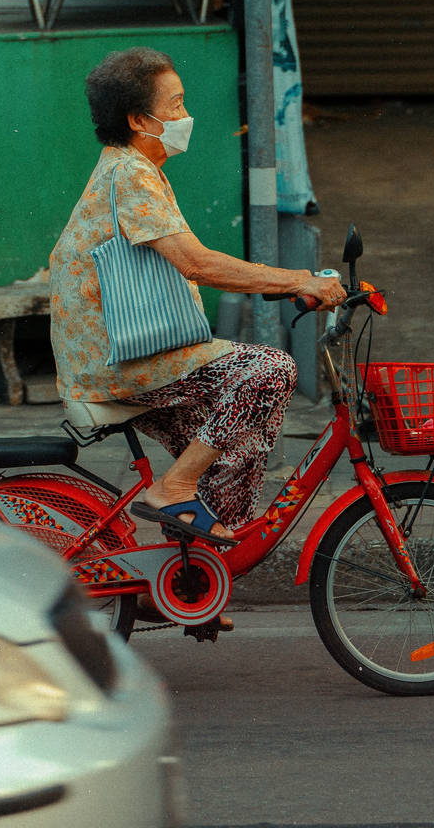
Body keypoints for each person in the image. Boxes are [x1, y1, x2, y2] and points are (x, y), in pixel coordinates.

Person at [49, 45, 345, 552]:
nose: (187, 117)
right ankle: (174, 488)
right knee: (269, 370)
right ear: (141, 120)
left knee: (244, 442)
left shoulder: (134, 169)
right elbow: (198, 264)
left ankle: (196, 574)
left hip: (126, 355)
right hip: (119, 360)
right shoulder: (131, 174)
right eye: (177, 105)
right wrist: (299, 281)